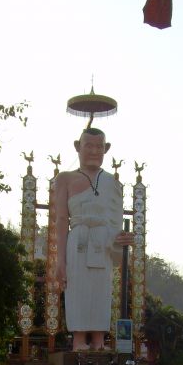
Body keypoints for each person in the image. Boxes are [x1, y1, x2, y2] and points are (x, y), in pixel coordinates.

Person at [55, 127, 133, 351]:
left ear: (106, 149)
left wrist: (122, 239)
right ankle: (79, 339)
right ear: (78, 147)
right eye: (88, 145)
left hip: (103, 240)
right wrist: (60, 259)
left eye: (99, 146)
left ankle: (99, 339)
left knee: (101, 289)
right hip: (78, 237)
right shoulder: (65, 179)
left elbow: (116, 222)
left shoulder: (112, 183)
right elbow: (61, 219)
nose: (94, 151)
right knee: (77, 287)